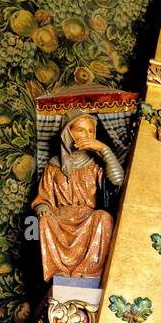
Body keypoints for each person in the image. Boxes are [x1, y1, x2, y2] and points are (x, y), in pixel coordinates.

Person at [32, 112, 124, 281]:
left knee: (103, 217)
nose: (87, 135)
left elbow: (118, 181)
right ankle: (58, 271)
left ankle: (89, 272)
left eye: (90, 131)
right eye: (81, 130)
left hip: (88, 217)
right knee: (45, 220)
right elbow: (43, 197)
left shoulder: (96, 164)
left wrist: (104, 150)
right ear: (68, 132)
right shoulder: (54, 166)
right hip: (61, 217)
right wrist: (43, 207)